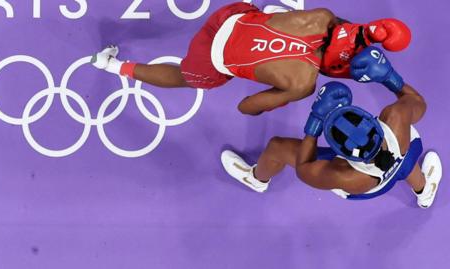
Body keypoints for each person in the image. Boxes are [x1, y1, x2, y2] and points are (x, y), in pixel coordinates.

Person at [91, 2, 411, 115]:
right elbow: (245, 108)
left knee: (269, 13)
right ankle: (112, 65)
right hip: (212, 58)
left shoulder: (324, 17)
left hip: (231, 14)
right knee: (183, 78)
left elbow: (344, 30)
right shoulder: (304, 82)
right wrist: (279, 98)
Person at [220, 46, 442, 208]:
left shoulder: (346, 177)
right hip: (405, 153)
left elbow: (304, 170)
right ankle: (424, 192)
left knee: (277, 147)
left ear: (342, 156)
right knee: (404, 163)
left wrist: (315, 122)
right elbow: (418, 101)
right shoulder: (396, 117)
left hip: (369, 187)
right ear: (375, 122)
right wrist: (388, 77)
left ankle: (257, 179)